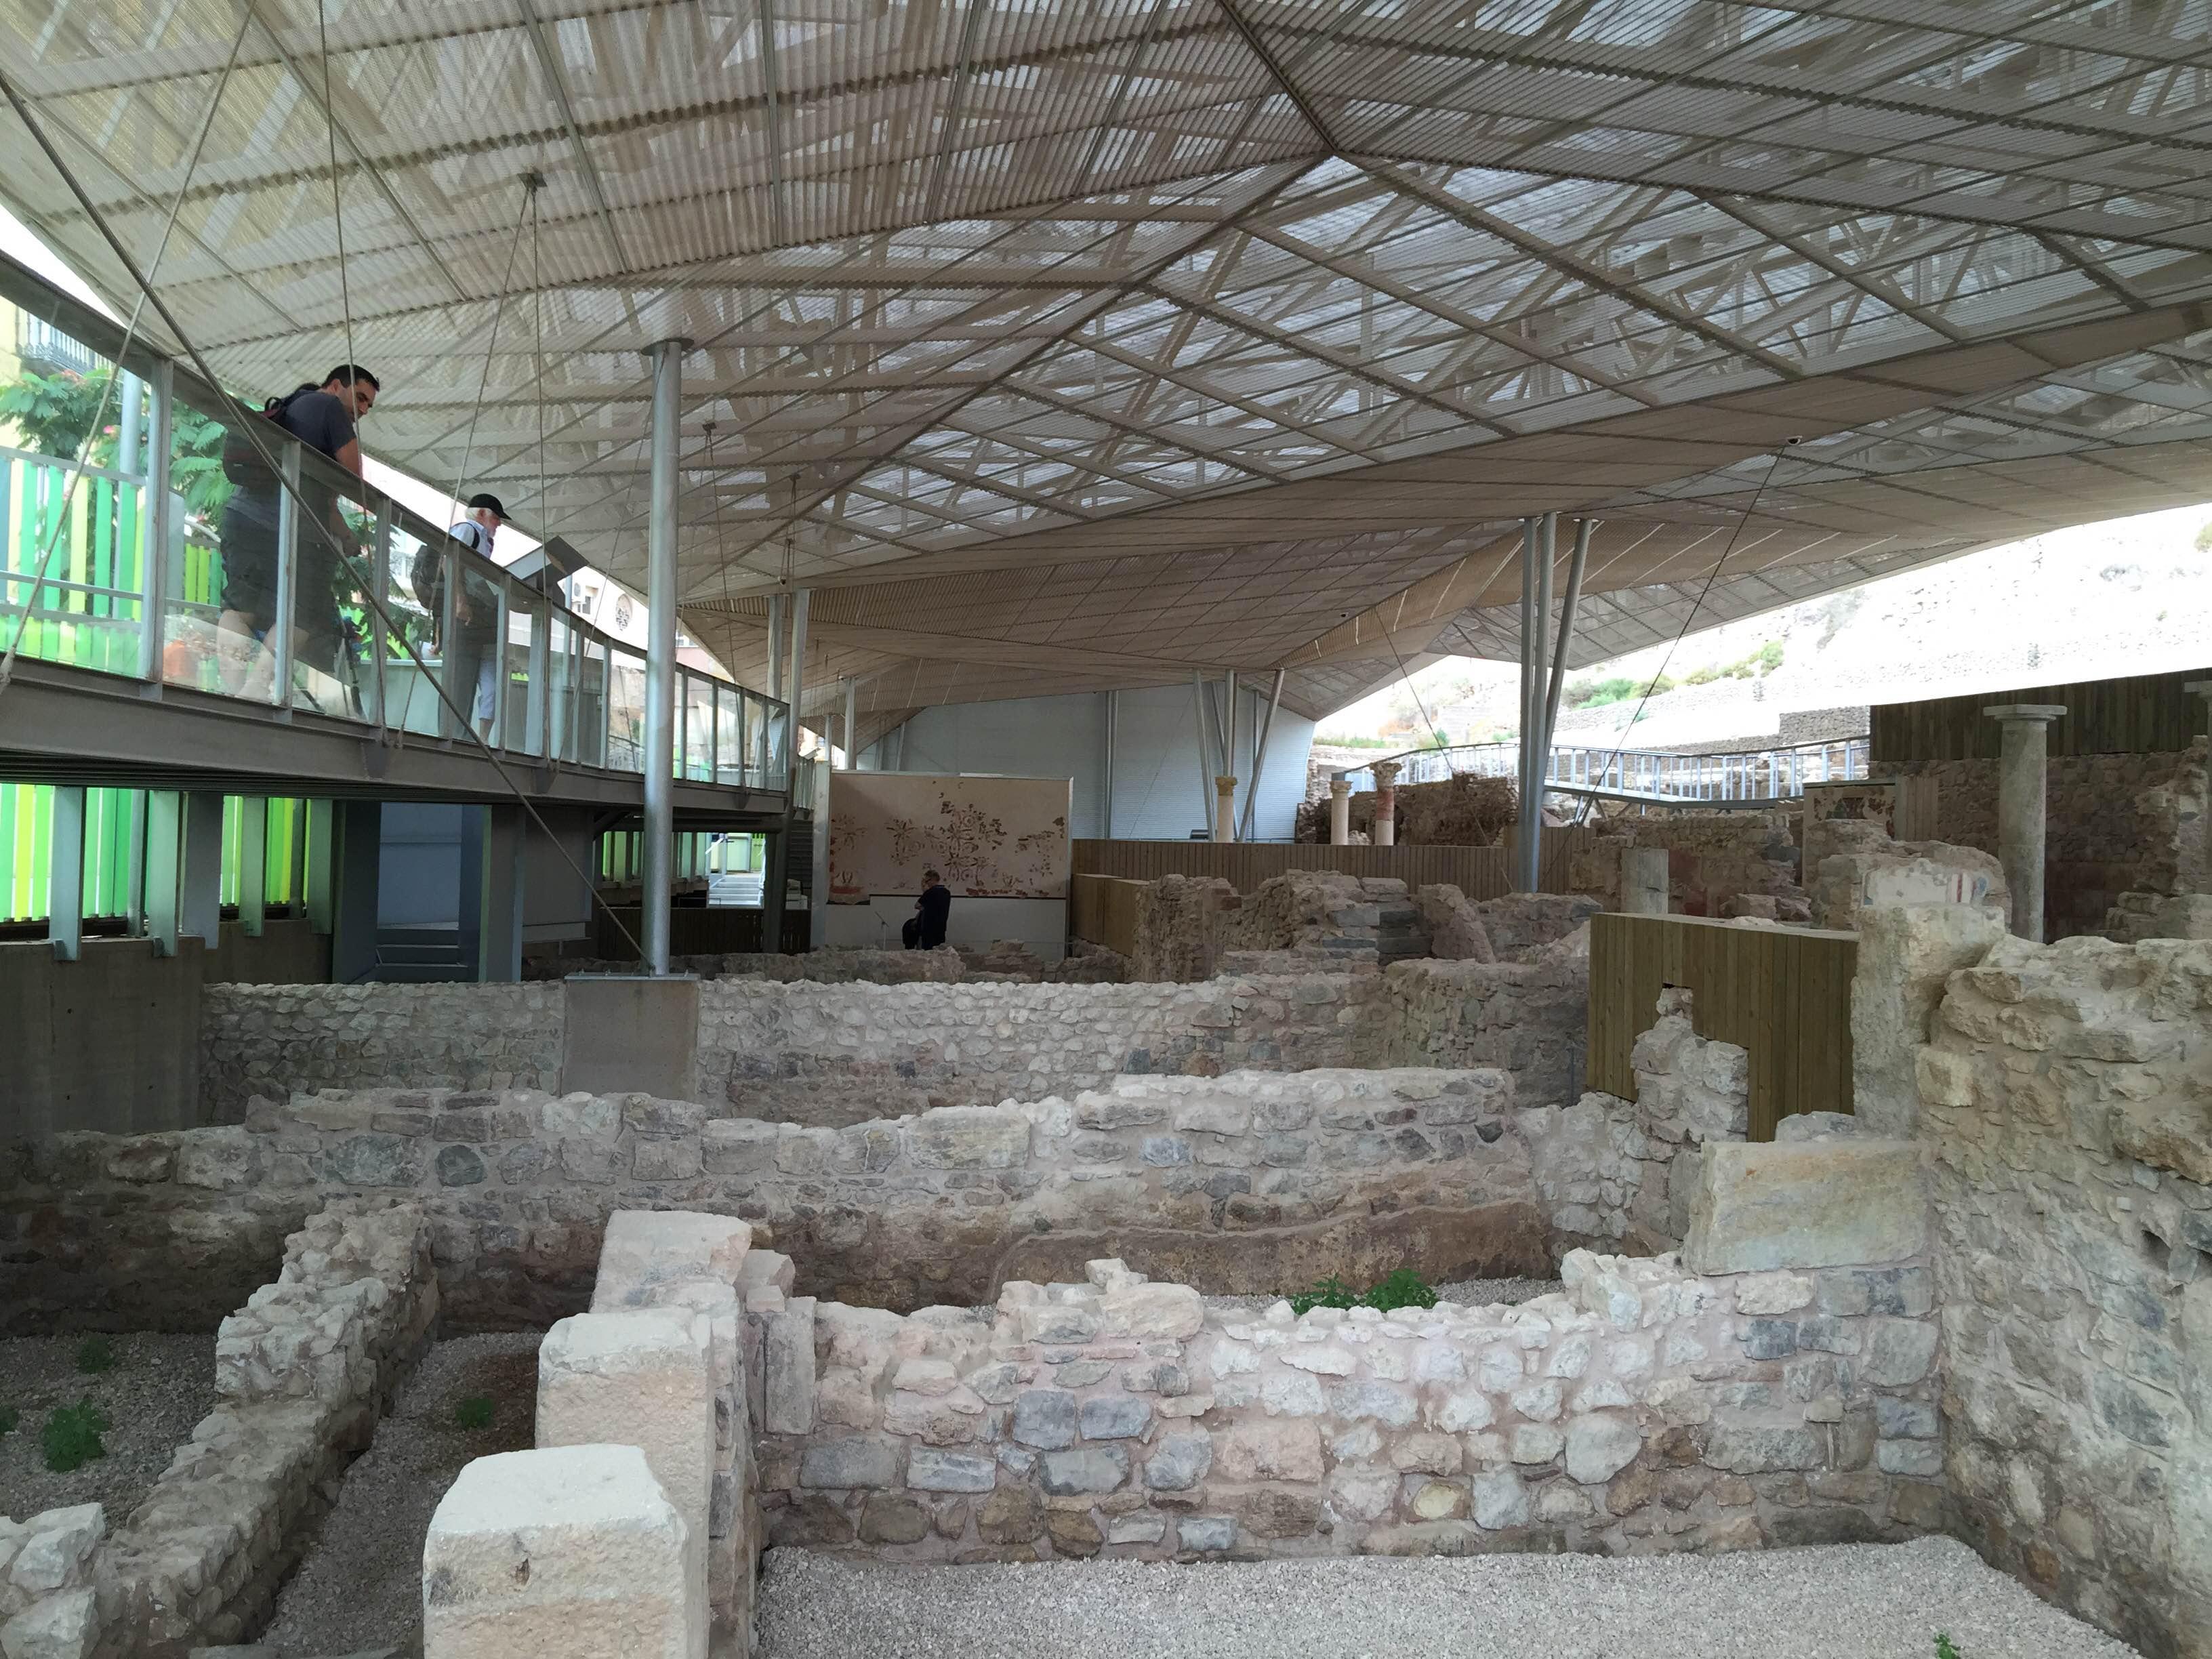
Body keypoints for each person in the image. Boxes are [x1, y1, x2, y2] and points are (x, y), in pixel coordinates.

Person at [217, 365, 379, 708]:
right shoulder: (329, 407)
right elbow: (354, 476)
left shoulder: (293, 404)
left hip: (242, 516)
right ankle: (257, 691)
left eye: (369, 405)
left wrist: (347, 536)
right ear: (336, 386)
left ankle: (233, 694)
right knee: (305, 614)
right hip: (291, 530)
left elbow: (323, 502)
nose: (363, 410)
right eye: (361, 398)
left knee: (239, 607)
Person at [416, 493, 506, 741]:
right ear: (481, 514)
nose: (499, 524)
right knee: (459, 685)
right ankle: (452, 738)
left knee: (468, 685)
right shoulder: (469, 529)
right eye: (496, 518)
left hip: (475, 622)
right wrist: (460, 600)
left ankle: (465, 738)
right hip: (462, 618)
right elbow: (449, 562)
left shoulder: (483, 538)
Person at [914, 868, 952, 950]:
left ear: (932, 880)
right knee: (939, 952)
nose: (926, 883)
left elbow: (917, 905)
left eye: (927, 881)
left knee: (928, 952)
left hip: (929, 927)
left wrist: (924, 890)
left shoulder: (930, 892)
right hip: (941, 926)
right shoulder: (947, 892)